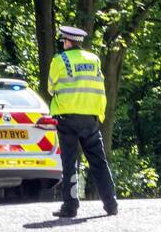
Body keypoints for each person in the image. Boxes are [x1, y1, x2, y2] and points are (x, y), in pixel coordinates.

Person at [48, 25, 119, 218]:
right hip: (90, 119)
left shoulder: (59, 59)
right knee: (99, 162)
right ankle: (111, 204)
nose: (63, 44)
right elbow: (99, 86)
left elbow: (51, 88)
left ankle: (71, 206)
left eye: (64, 41)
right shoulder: (94, 59)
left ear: (68, 42)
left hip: (67, 118)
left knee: (70, 162)